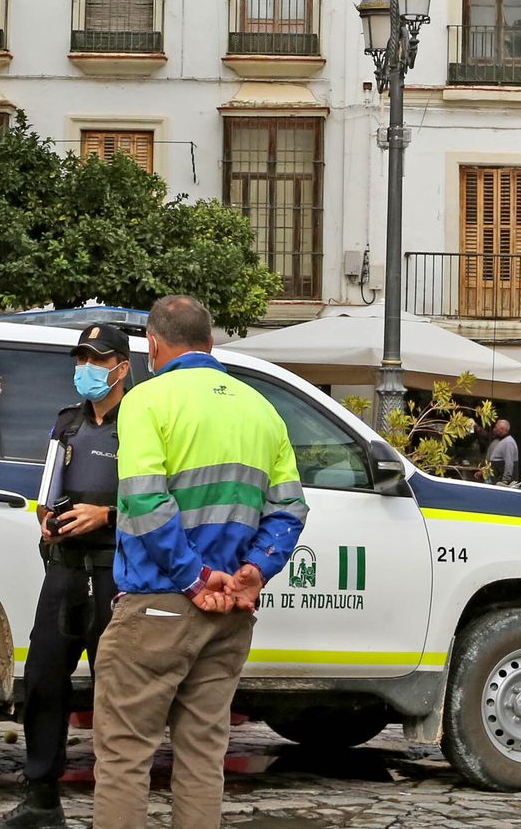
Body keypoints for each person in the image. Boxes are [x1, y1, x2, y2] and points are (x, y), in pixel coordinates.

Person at [92, 296, 308, 829]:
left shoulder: (147, 401)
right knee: (202, 758)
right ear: (211, 344)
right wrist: (254, 569)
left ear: (154, 347)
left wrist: (192, 578)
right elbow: (291, 507)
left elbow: (143, 500)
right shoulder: (262, 408)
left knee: (124, 757)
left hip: (157, 606)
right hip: (231, 612)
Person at [0, 324, 130, 829]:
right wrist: (47, 520)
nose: (86, 368)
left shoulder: (141, 422)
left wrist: (105, 515)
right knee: (44, 683)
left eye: (97, 358)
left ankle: (115, 808)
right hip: (65, 573)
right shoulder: (66, 423)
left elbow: (160, 504)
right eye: (81, 358)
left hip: (115, 574)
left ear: (121, 366)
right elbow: (46, 493)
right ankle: (41, 799)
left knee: (116, 692)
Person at [487, 419, 520, 485]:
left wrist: (505, 480)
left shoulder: (508, 442)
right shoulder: (502, 441)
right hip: (495, 479)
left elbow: (509, 462)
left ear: (501, 429)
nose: (494, 429)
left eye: (496, 427)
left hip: (501, 482)